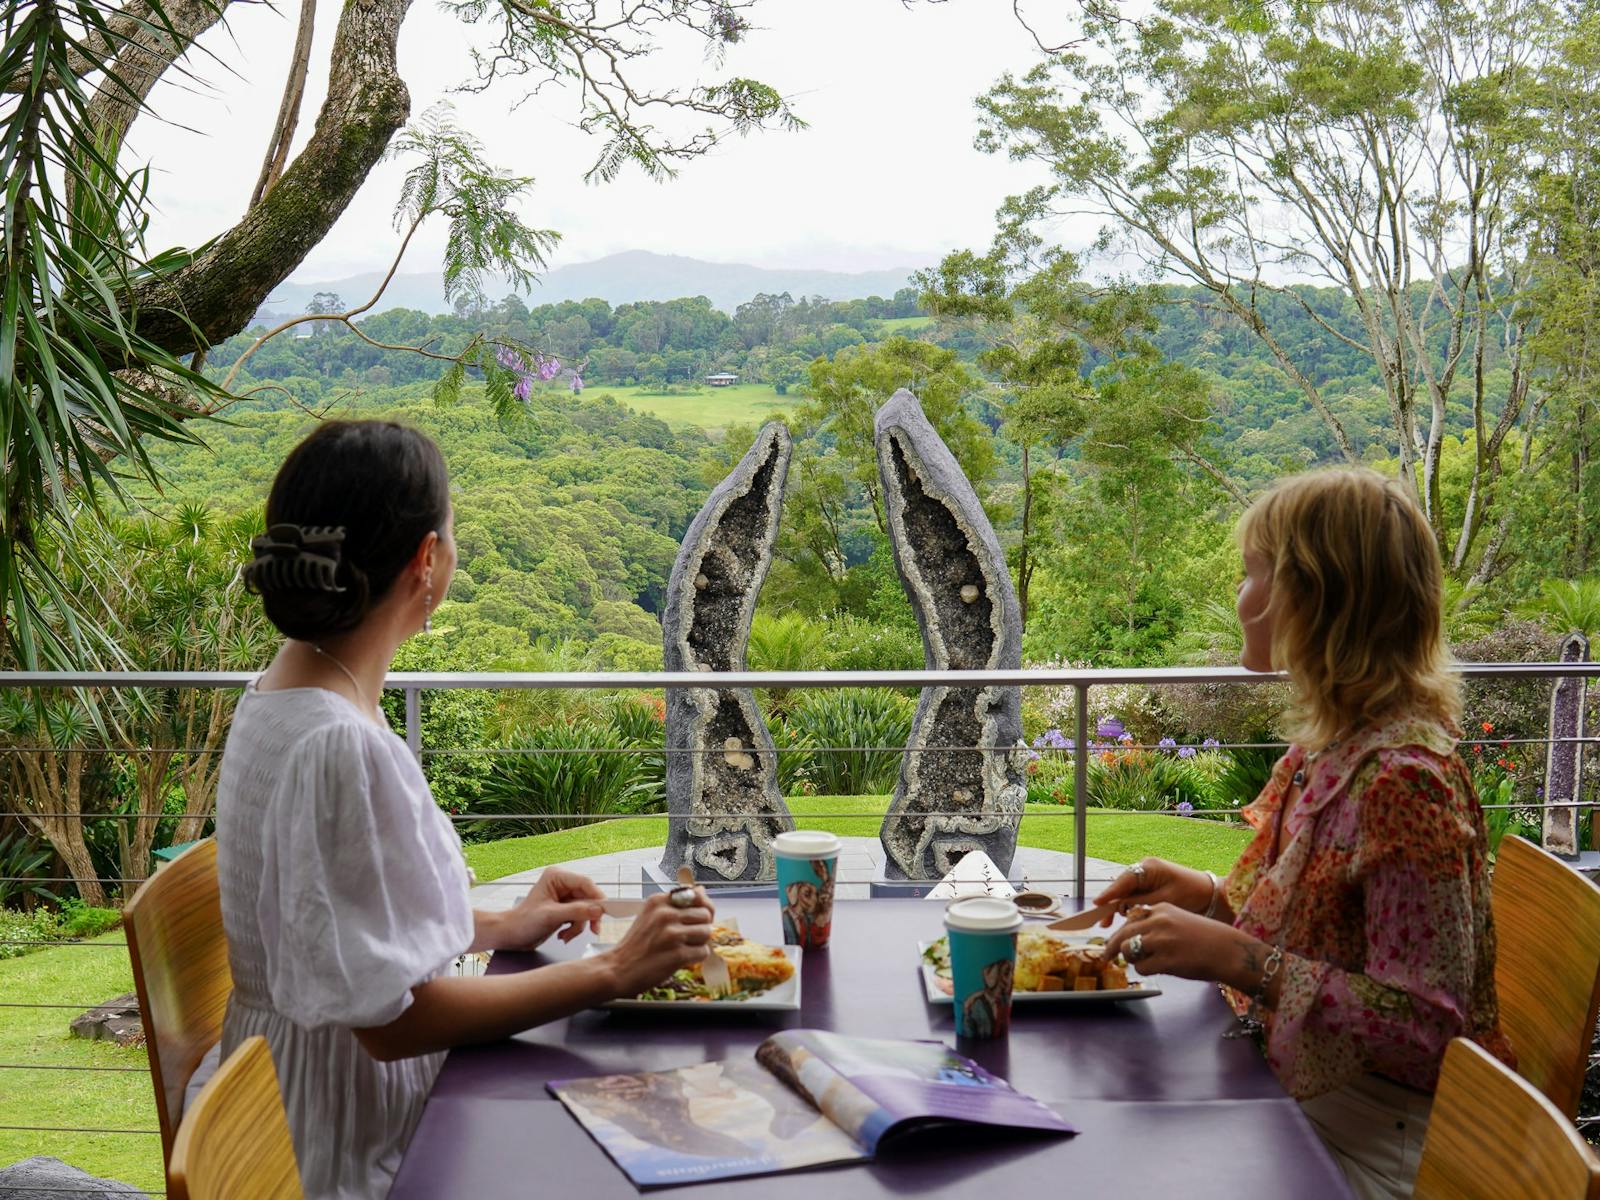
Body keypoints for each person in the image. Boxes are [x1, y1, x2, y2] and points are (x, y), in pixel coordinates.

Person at [215, 420, 716, 1200]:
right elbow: (391, 1024)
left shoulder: (284, 697)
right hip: (349, 1144)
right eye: (452, 535)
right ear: (425, 561)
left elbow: (333, 922)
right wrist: (613, 971)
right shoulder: (339, 743)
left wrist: (501, 926)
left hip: (280, 1097)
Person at [1094, 468, 1512, 1200]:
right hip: (1309, 1093)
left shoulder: (1402, 778)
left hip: (1385, 1140)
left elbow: (1428, 1024)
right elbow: (1322, 929)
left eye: (1253, 573)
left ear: (1316, 598)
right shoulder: (1335, 744)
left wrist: (1244, 961)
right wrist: (1209, 898)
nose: (1241, 597)